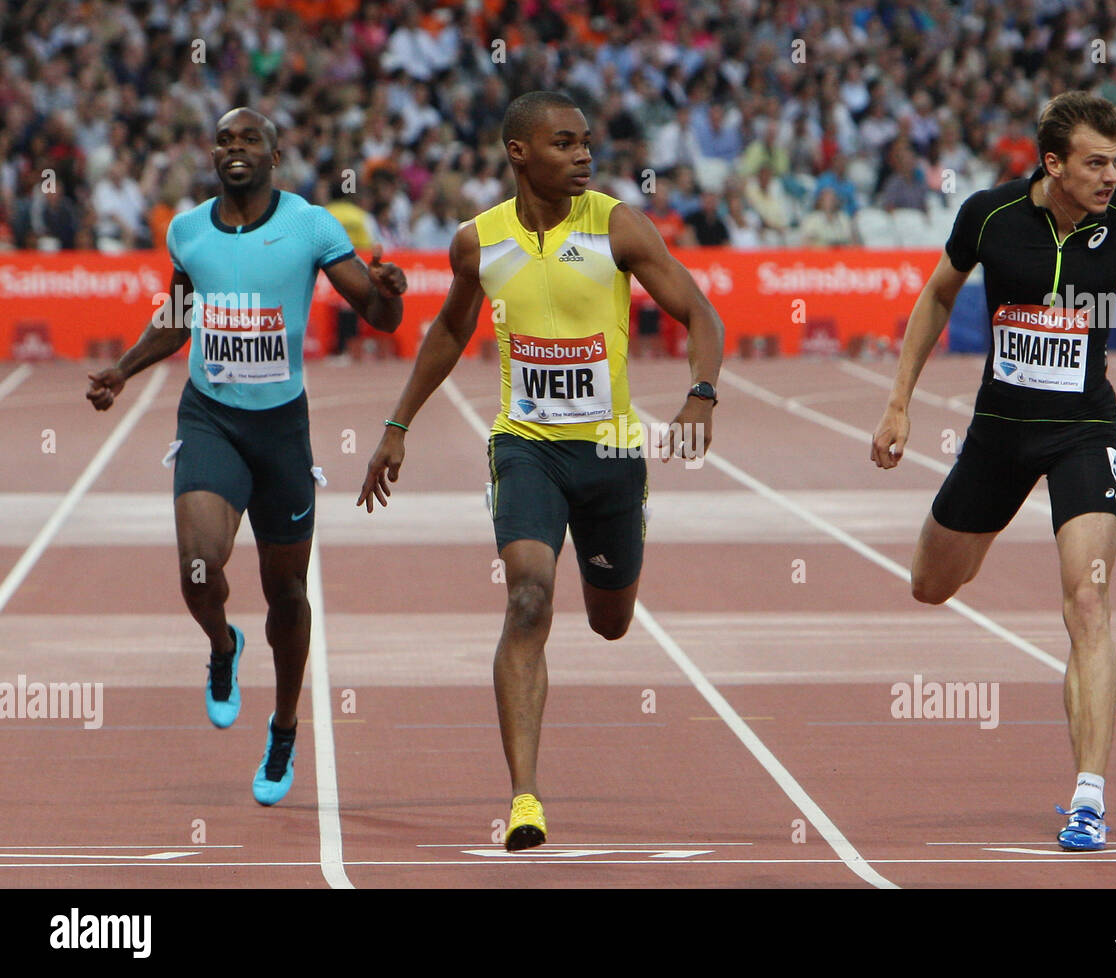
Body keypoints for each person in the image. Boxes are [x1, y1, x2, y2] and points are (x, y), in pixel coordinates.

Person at [869, 91, 1116, 852]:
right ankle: (980, 534)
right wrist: (899, 402)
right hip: (1000, 435)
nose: (1110, 177)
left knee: (1088, 604)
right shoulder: (990, 216)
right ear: (1053, 165)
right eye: (1095, 164)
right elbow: (938, 294)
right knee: (930, 584)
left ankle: (1089, 799)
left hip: (1082, 430)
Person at [357, 90, 724, 852]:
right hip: (526, 447)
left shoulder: (617, 225)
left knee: (610, 621)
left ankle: (622, 540)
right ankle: (525, 798)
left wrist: (700, 392)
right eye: (565, 143)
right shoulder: (478, 243)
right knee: (527, 598)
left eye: (587, 142)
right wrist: (397, 424)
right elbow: (451, 328)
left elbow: (699, 312)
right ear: (519, 153)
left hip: (614, 452)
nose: (585, 154)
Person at [86, 107, 407, 805]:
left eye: (249, 139)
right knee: (199, 571)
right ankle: (223, 647)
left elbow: (377, 316)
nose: (235, 149)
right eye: (224, 139)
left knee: (286, 593)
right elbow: (176, 320)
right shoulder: (188, 230)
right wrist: (125, 368)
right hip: (211, 419)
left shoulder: (311, 225)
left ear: (274, 152)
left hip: (281, 432)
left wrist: (387, 299)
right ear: (213, 153)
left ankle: (284, 726)